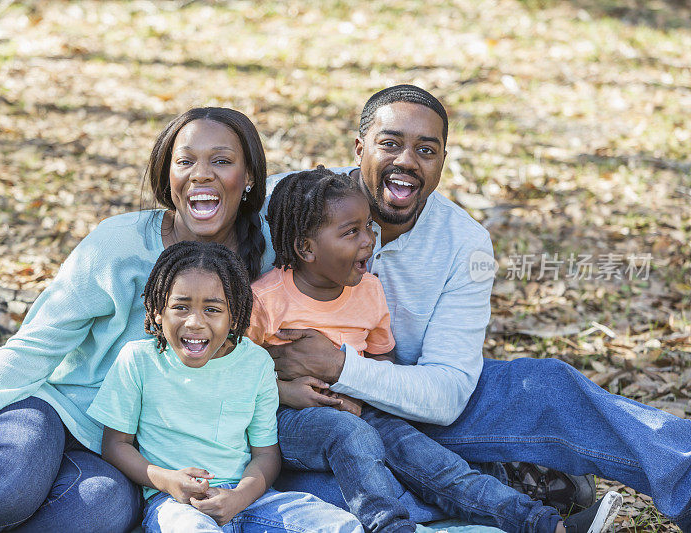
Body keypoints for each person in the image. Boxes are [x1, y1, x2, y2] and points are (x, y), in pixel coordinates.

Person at [266, 85, 691, 531]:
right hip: (300, 422)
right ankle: (501, 484)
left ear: (442, 162)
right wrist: (279, 387)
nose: (407, 161)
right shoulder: (289, 204)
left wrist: (340, 367)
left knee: (546, 388)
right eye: (390, 143)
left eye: (426, 149)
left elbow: (448, 393)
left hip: (413, 403)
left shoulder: (464, 243)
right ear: (359, 148)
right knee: (336, 483)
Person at [0, 107, 277, 533]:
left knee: (99, 511)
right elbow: (38, 342)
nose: (201, 174)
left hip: (122, 450)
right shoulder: (119, 246)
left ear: (250, 177)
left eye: (221, 161)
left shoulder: (268, 256)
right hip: (55, 409)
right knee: (6, 489)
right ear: (167, 177)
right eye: (185, 161)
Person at [249, 166, 623, 533]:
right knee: (350, 436)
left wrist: (361, 397)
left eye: (368, 227)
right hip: (286, 420)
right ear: (305, 248)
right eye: (351, 232)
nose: (368, 240)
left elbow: (383, 360)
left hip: (362, 410)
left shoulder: (368, 291)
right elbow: (234, 371)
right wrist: (286, 391)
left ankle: (542, 524)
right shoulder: (267, 299)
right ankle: (390, 526)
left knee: (435, 463)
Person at [88, 240, 362, 533]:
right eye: (180, 307)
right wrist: (167, 480)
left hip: (247, 501)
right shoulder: (137, 360)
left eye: (212, 309)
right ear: (158, 311)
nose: (194, 322)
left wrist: (239, 497)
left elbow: (266, 455)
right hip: (174, 504)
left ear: (234, 316)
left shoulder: (255, 363)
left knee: (340, 525)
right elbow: (115, 446)